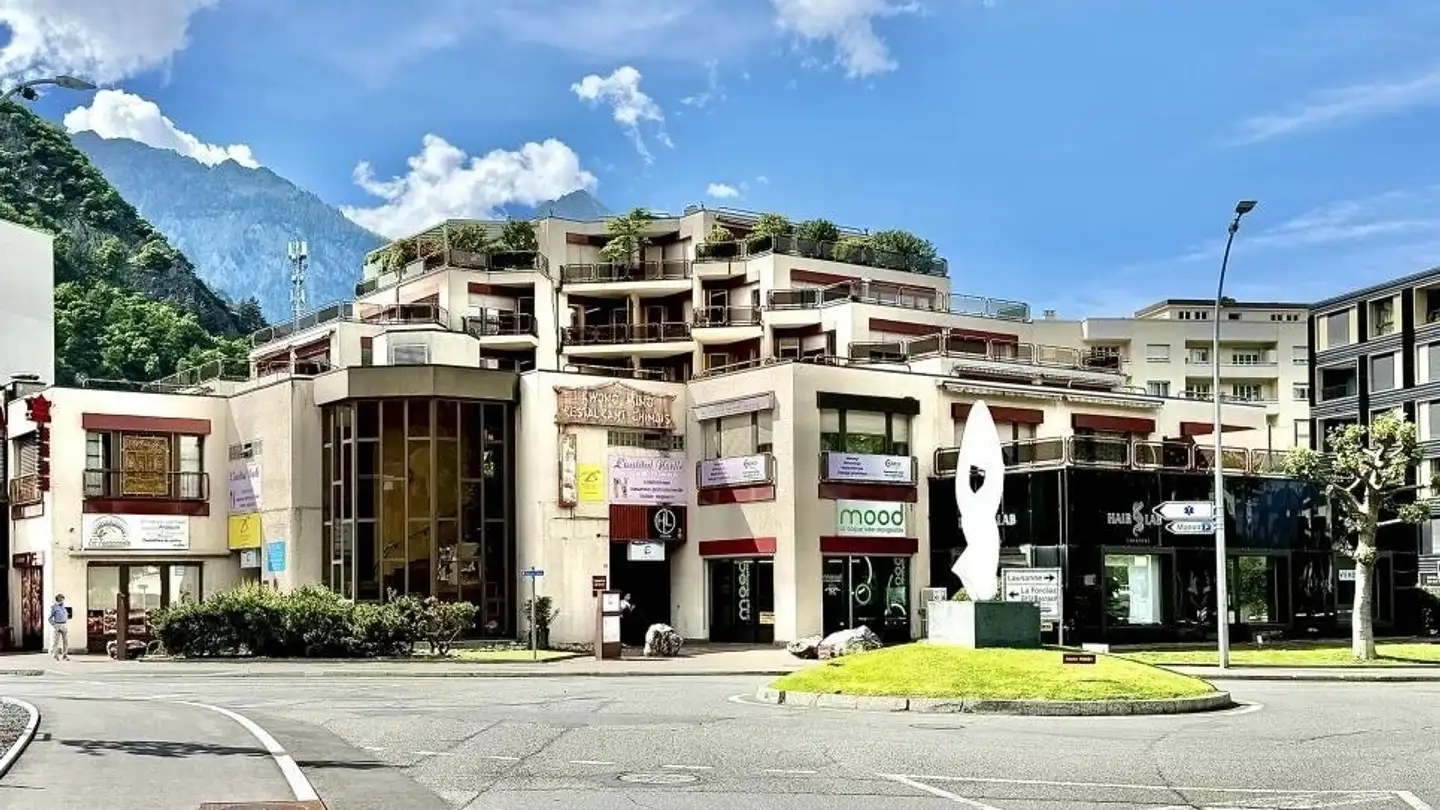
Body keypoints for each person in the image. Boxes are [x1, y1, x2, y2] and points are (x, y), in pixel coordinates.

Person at [49, 594, 71, 661]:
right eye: (61, 599)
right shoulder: (53, 607)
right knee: (56, 641)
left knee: (65, 641)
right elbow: (49, 618)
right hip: (57, 625)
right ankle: (55, 655)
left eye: (63, 599)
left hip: (64, 625)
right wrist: (54, 625)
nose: (63, 600)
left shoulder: (63, 606)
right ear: (58, 599)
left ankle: (65, 655)